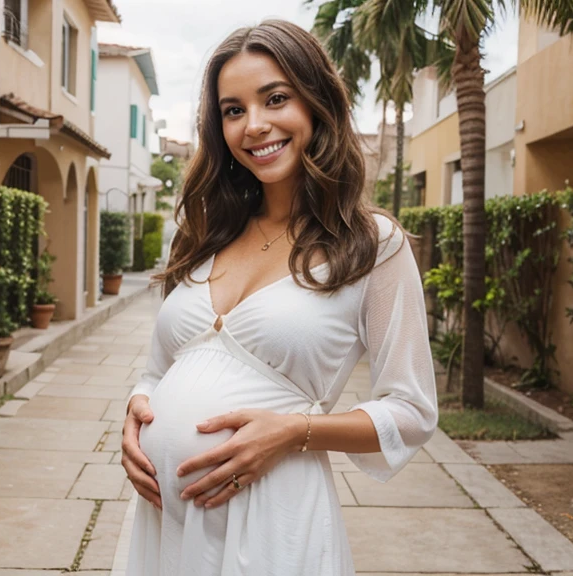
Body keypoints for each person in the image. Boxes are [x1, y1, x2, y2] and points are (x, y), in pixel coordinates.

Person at [121, 19, 438, 576]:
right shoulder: (203, 234)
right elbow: (157, 371)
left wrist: (296, 431)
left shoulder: (371, 245)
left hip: (270, 520)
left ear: (316, 103)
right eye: (233, 109)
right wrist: (136, 413)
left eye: (275, 98)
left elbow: (411, 411)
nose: (254, 125)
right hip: (164, 522)